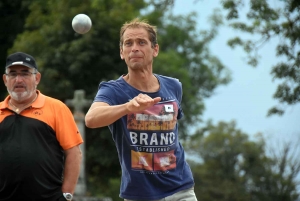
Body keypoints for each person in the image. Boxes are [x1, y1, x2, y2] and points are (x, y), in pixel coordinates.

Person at [85, 18, 198, 201]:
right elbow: (91, 118)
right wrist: (128, 107)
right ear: (122, 52)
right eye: (128, 43)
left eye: (141, 42)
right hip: (139, 194)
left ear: (155, 50)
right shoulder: (113, 90)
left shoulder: (173, 86)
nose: (134, 48)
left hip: (180, 189)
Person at [0, 52, 83, 201]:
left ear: (37, 78)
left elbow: (74, 153)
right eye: (13, 74)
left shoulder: (57, 108)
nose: (18, 79)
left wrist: (67, 195)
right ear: (5, 80)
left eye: (25, 73)